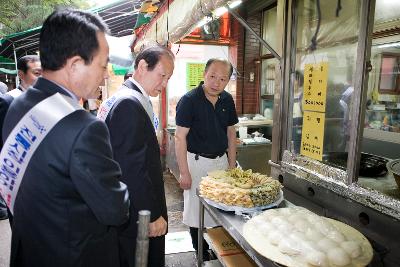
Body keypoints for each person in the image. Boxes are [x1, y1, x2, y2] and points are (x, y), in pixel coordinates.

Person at [0, 9, 130, 267]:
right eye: (102, 65)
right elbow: (115, 209)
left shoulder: (19, 105)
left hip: (31, 250)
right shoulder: (84, 128)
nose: (105, 75)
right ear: (74, 65)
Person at [98, 45, 174, 267]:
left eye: (168, 78)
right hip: (137, 216)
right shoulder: (129, 105)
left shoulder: (125, 98)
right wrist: (150, 214)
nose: (165, 83)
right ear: (142, 66)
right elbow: (132, 169)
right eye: (162, 75)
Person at [175, 58, 238, 260]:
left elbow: (231, 134)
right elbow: (180, 137)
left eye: (222, 78)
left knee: (222, 207)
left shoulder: (227, 100)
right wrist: (184, 172)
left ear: (228, 81)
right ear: (204, 74)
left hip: (221, 162)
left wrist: (231, 166)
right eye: (212, 76)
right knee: (195, 211)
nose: (216, 82)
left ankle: (219, 249)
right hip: (196, 162)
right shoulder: (189, 100)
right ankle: (201, 252)